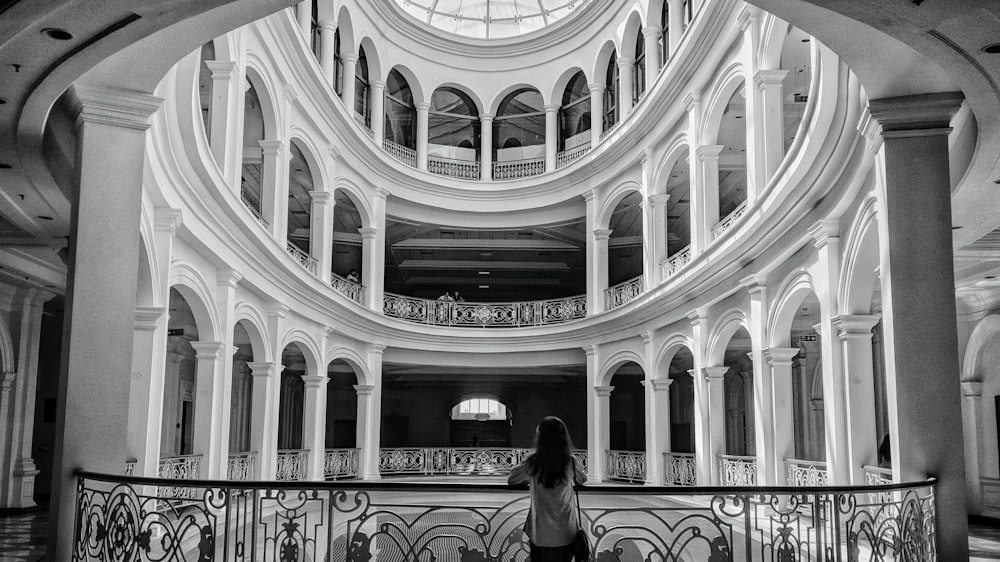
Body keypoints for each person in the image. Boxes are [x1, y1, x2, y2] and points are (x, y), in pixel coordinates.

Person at [508, 416, 587, 562]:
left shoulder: (533, 461)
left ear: (540, 437)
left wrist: (530, 477)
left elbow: (512, 479)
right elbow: (582, 479)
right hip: (566, 532)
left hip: (541, 533)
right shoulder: (569, 461)